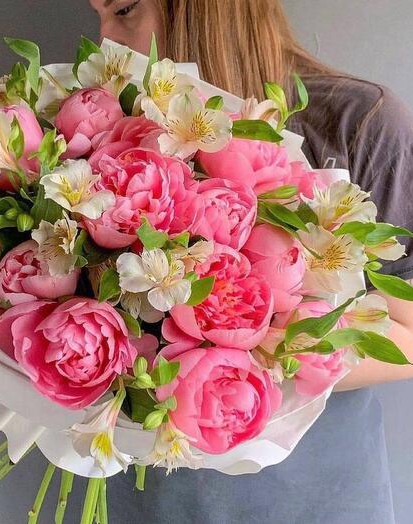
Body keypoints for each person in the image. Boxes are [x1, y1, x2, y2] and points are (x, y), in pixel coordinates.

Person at [84, 1, 413, 523]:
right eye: (97, 12)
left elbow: (409, 335)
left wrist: (249, 336)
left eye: (124, 9)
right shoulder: (114, 130)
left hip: (314, 503)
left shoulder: (358, 119)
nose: (105, 38)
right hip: (155, 498)